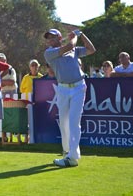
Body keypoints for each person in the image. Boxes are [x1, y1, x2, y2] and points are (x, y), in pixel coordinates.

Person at [44, 28, 96, 167]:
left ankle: (72, 157)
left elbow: (91, 49)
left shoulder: (74, 50)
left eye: (53, 37)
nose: (50, 40)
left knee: (74, 121)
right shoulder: (49, 53)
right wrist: (73, 37)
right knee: (64, 122)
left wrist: (82, 35)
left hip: (78, 87)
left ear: (59, 38)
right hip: (63, 89)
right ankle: (67, 152)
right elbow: (70, 45)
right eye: (48, 38)